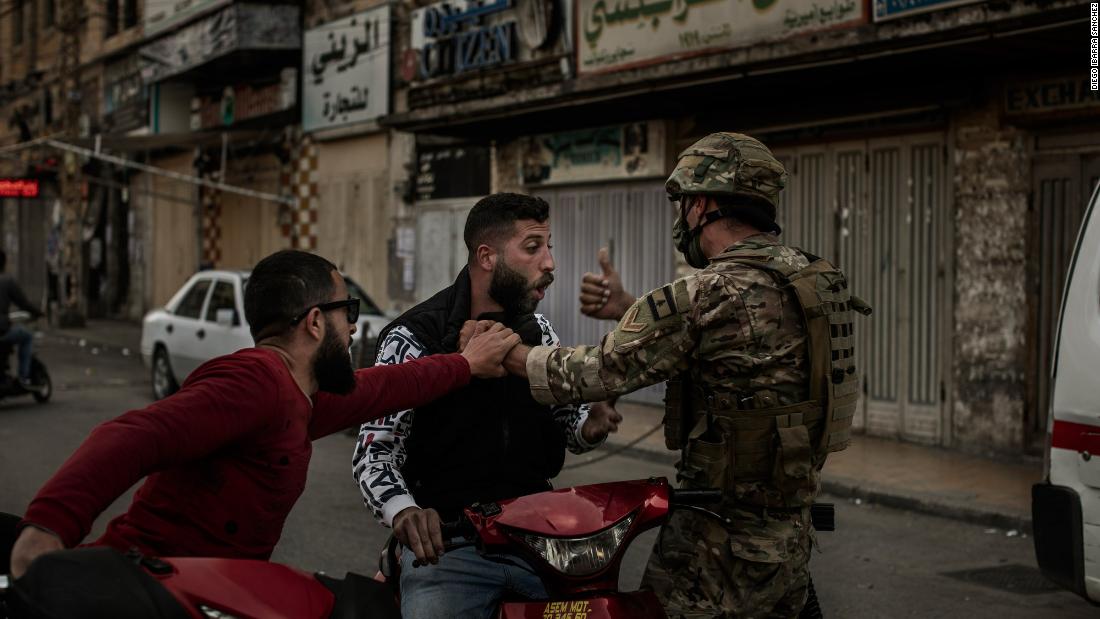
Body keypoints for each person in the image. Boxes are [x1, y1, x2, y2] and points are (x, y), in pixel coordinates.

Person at [504, 133, 870, 618]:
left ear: (700, 205)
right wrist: (626, 309)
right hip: (790, 540)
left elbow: (596, 372)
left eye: (682, 204)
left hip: (715, 549)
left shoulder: (707, 292)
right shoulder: (813, 278)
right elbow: (741, 353)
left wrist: (505, 351)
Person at [7, 249, 520, 579]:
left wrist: (463, 364)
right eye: (351, 315)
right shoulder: (253, 382)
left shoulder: (299, 393)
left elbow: (386, 386)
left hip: (219, 589)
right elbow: (132, 435)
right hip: (151, 586)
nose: (356, 332)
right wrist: (46, 530)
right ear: (316, 323)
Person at [353, 193, 621, 618]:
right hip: (450, 552)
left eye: (549, 247)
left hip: (540, 542)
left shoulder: (540, 331)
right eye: (533, 248)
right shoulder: (413, 337)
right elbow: (375, 451)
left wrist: (589, 424)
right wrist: (403, 511)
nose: (549, 263)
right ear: (487, 256)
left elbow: (565, 423)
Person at [0, 249, 45, 390]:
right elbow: (23, 303)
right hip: (2, 330)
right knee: (26, 337)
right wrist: (38, 313)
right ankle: (23, 377)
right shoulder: (7, 281)